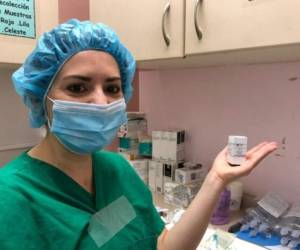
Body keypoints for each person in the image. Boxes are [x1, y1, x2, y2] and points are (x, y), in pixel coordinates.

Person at [0, 19, 277, 250]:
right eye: (77, 88)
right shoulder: (11, 198)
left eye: (112, 88)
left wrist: (215, 180)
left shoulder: (116, 170)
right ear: (41, 98)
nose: (101, 102)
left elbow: (158, 244)